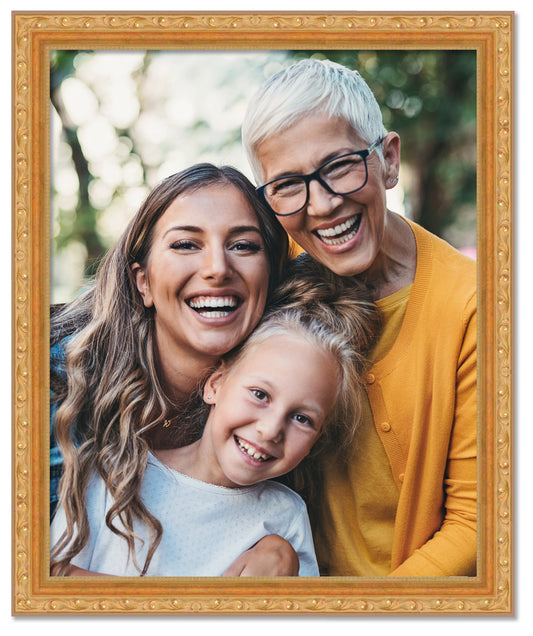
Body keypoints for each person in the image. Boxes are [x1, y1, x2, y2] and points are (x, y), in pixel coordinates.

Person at [242, 58, 477, 577]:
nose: (322, 204)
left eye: (340, 165)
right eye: (287, 185)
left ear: (388, 160)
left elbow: (478, 523)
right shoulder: (272, 294)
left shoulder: (473, 307)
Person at [50, 257, 380, 577]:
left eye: (302, 419)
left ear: (318, 438)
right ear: (216, 384)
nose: (270, 430)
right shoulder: (114, 471)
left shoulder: (286, 518)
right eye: (260, 395)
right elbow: (51, 584)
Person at [49, 163, 298, 576]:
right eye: (186, 245)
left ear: (270, 278)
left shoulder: (282, 406)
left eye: (244, 246)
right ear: (143, 282)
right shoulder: (55, 383)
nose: (218, 268)